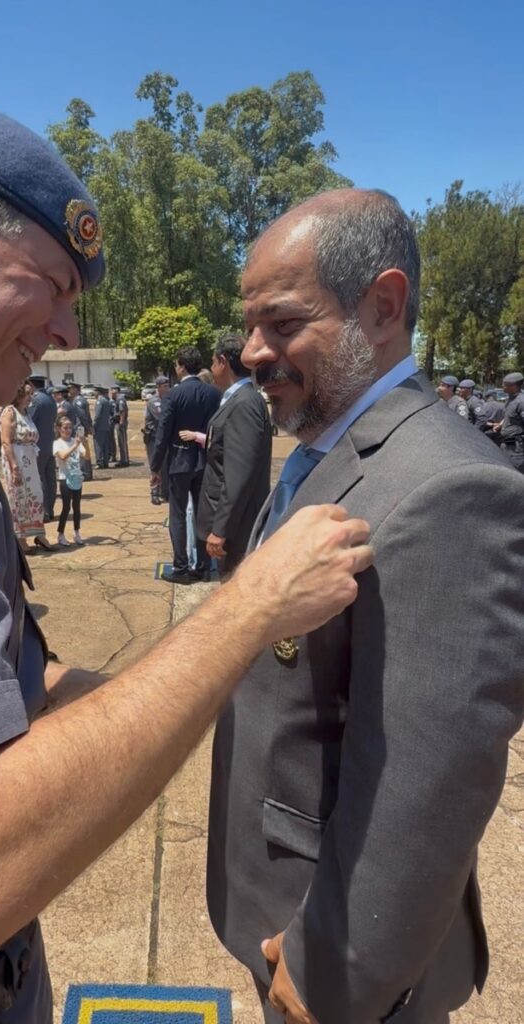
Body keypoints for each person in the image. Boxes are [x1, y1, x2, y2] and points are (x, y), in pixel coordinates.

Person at [0, 105, 374, 1024]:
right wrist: (250, 606)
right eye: (54, 287)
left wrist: (170, 702)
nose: (66, 331)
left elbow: (2, 683)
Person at [206, 188, 524, 1024]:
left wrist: (333, 972)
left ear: (383, 306)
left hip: (336, 964)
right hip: (286, 911)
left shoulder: (452, 487)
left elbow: (431, 786)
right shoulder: (326, 450)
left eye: (281, 322)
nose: (251, 351)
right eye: (250, 325)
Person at [190, 334, 272, 578]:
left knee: (236, 586)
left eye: (213, 361)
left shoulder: (243, 404)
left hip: (237, 529)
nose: (211, 368)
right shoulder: (238, 399)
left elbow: (238, 474)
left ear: (223, 362)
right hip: (234, 524)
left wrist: (221, 529)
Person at [150, 347, 221, 584]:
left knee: (178, 515)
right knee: (203, 515)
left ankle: (181, 568)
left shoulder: (173, 395)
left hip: (179, 462)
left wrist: (155, 467)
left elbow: (162, 434)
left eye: (176, 364)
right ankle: (203, 566)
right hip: (205, 461)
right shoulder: (213, 393)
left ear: (181, 366)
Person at [0, 382, 53, 552]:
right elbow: (6, 442)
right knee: (19, 498)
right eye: (28, 393)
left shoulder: (26, 414)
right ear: (18, 394)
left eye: (32, 393)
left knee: (36, 496)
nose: (31, 397)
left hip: (30, 461)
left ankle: (39, 534)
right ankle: (21, 538)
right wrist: (14, 467)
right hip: (16, 460)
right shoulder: (10, 412)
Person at [52, 415, 86, 546]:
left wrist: (85, 444)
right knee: (66, 507)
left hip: (76, 477)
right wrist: (75, 446)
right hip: (65, 478)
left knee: (77, 506)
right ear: (59, 429)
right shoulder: (57, 443)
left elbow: (87, 456)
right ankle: (60, 534)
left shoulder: (75, 441)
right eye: (65, 428)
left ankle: (77, 532)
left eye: (70, 428)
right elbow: (62, 456)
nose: (68, 430)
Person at [29, 375, 58, 520]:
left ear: (32, 385)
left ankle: (44, 511)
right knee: (50, 477)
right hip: (50, 443)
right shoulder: (50, 399)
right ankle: (50, 509)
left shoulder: (36, 400)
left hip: (38, 445)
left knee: (40, 478)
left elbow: (30, 420)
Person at [143, 375, 170, 505]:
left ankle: (165, 492)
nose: (167, 388)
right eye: (164, 386)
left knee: (166, 466)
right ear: (158, 387)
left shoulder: (169, 399)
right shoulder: (153, 401)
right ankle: (154, 492)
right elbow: (161, 418)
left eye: (168, 386)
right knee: (155, 466)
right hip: (154, 438)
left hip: (164, 438)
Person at [492, 370, 524, 471]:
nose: (502, 386)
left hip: (516, 449)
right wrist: (500, 424)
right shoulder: (510, 399)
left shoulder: (521, 402)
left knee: (516, 473)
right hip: (506, 445)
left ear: (513, 386)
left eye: (505, 384)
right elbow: (510, 416)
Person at [69, 382, 94, 481]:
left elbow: (83, 416)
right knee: (82, 450)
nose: (69, 390)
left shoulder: (78, 400)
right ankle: (86, 472)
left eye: (71, 388)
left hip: (80, 428)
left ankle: (85, 473)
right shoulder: (80, 399)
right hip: (81, 428)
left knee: (82, 451)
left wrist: (87, 427)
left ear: (76, 389)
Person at [93, 384, 113, 468]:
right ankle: (105, 462)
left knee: (98, 445)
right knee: (105, 445)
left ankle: (99, 462)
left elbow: (97, 415)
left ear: (98, 392)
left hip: (99, 427)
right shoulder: (106, 401)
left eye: (95, 391)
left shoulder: (99, 401)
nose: (94, 393)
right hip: (106, 426)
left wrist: (93, 425)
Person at [111, 385, 130, 466]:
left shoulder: (120, 399)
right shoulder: (118, 399)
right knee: (121, 441)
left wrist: (121, 422)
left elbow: (122, 411)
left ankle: (124, 460)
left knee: (122, 442)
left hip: (120, 422)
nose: (111, 392)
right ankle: (123, 459)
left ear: (116, 390)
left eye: (112, 390)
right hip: (119, 422)